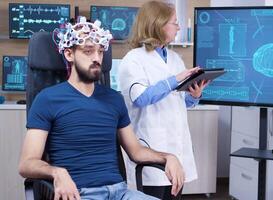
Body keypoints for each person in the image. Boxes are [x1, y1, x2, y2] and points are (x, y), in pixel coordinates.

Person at [18, 16, 185, 200]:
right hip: (78, 194)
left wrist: (169, 157)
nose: (97, 58)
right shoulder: (48, 99)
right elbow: (27, 163)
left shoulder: (114, 99)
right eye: (88, 51)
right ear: (69, 54)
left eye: (100, 51)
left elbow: (136, 151)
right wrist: (58, 173)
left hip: (121, 193)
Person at [118, 1, 209, 199]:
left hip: (177, 149)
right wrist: (175, 80)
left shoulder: (175, 58)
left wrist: (194, 96)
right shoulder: (133, 59)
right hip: (151, 149)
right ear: (158, 25)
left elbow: (177, 102)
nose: (179, 26)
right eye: (174, 22)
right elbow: (141, 98)